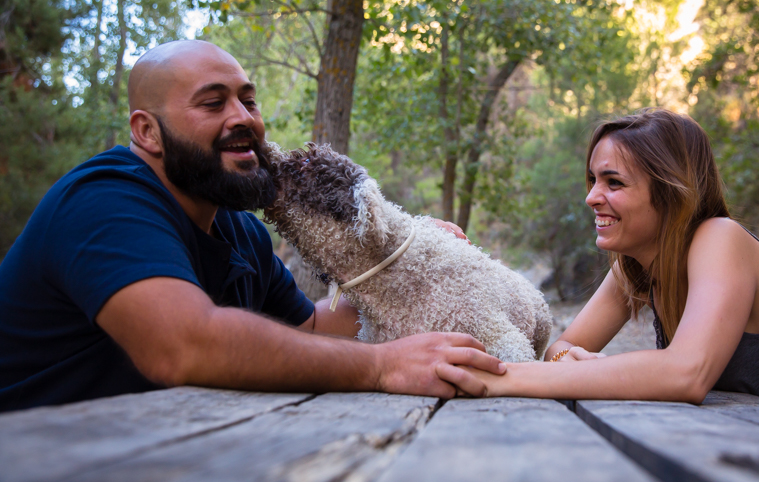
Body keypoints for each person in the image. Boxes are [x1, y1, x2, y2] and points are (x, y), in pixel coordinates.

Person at [0, 40, 504, 412]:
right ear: (147, 131)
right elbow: (183, 346)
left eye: (248, 100)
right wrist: (383, 366)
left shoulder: (238, 230)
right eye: (213, 102)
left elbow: (310, 328)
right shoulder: (102, 201)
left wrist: (410, 266)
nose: (244, 118)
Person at [460, 108, 759, 421]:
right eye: (593, 180)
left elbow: (686, 374)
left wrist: (502, 377)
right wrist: (576, 366)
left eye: (614, 182)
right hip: (755, 444)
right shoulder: (634, 265)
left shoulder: (721, 238)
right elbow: (563, 347)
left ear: (671, 192)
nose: (591, 197)